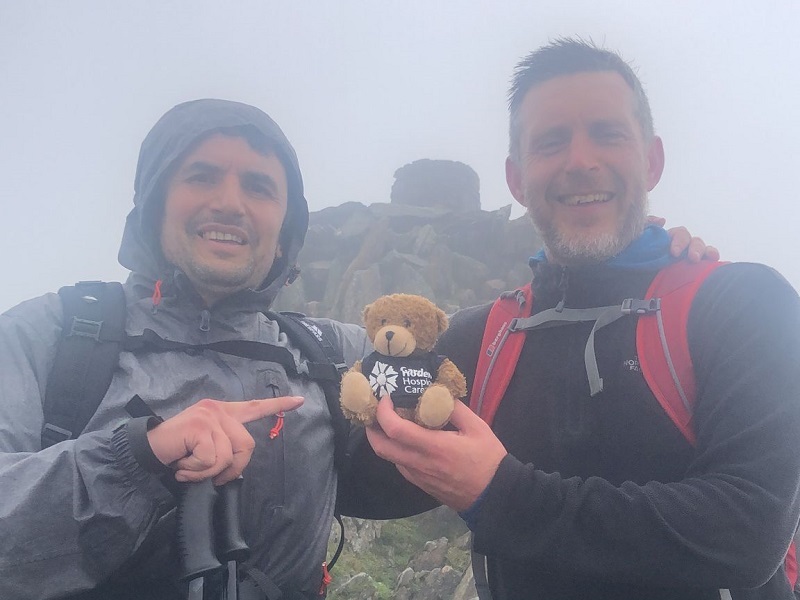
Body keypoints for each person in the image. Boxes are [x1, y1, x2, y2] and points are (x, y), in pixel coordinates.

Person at [0, 97, 712, 600]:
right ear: (154, 198)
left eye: (259, 187)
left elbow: (502, 339)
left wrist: (641, 263)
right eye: (200, 177)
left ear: (286, 223)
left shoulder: (326, 352)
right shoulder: (56, 336)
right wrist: (139, 456)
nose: (231, 203)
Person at [366, 39, 800, 599]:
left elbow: (745, 532)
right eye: (551, 142)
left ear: (653, 160)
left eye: (608, 133)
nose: (580, 160)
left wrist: (500, 494)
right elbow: (368, 473)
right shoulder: (483, 338)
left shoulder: (743, 304)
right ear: (517, 179)